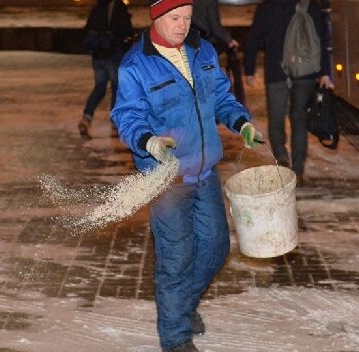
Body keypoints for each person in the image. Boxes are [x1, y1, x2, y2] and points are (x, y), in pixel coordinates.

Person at [110, 0, 263, 350]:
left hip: (205, 170)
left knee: (215, 245)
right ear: (157, 18)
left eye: (187, 18)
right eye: (175, 18)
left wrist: (241, 122)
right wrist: (147, 141)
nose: (182, 25)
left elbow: (222, 97)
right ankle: (176, 337)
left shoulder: (202, 50)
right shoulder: (136, 64)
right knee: (176, 257)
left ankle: (179, 306)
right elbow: (127, 116)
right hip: (167, 177)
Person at [243, 0, 333, 187]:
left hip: (276, 72)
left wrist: (249, 69)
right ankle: (298, 170)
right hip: (305, 72)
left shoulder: (267, 6)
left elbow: (254, 38)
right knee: (299, 120)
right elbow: (322, 39)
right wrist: (325, 72)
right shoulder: (310, 5)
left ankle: (282, 160)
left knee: (276, 119)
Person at [78, 0, 134, 138]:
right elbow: (126, 31)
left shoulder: (97, 9)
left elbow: (87, 30)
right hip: (113, 54)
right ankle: (115, 121)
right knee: (116, 87)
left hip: (98, 56)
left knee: (99, 87)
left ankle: (87, 117)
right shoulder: (119, 9)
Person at [191, 0, 246, 105]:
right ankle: (238, 101)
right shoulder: (210, 2)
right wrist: (229, 40)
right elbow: (215, 27)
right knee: (232, 59)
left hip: (190, 42)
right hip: (206, 43)